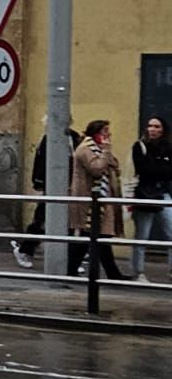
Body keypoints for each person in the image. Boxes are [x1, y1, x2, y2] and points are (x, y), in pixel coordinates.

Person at [12, 125, 82, 269]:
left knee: (68, 223)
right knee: (41, 220)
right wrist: (39, 181)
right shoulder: (48, 138)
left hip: (69, 186)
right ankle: (24, 250)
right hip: (52, 186)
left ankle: (69, 260)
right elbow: (41, 160)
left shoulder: (74, 138)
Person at [67, 119, 126, 280]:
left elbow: (113, 165)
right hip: (89, 201)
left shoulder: (99, 150)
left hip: (102, 198)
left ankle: (72, 270)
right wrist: (106, 150)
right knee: (96, 236)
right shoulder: (85, 149)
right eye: (105, 131)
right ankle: (111, 273)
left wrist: (106, 153)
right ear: (96, 133)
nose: (108, 135)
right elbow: (97, 169)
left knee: (96, 237)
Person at [128, 116, 171, 281]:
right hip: (145, 193)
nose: (152, 129)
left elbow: (168, 172)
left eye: (157, 126)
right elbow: (144, 170)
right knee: (142, 235)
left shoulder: (168, 147)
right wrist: (161, 167)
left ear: (163, 130)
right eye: (150, 126)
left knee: (171, 232)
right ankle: (138, 272)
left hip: (163, 192)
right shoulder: (140, 146)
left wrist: (158, 168)